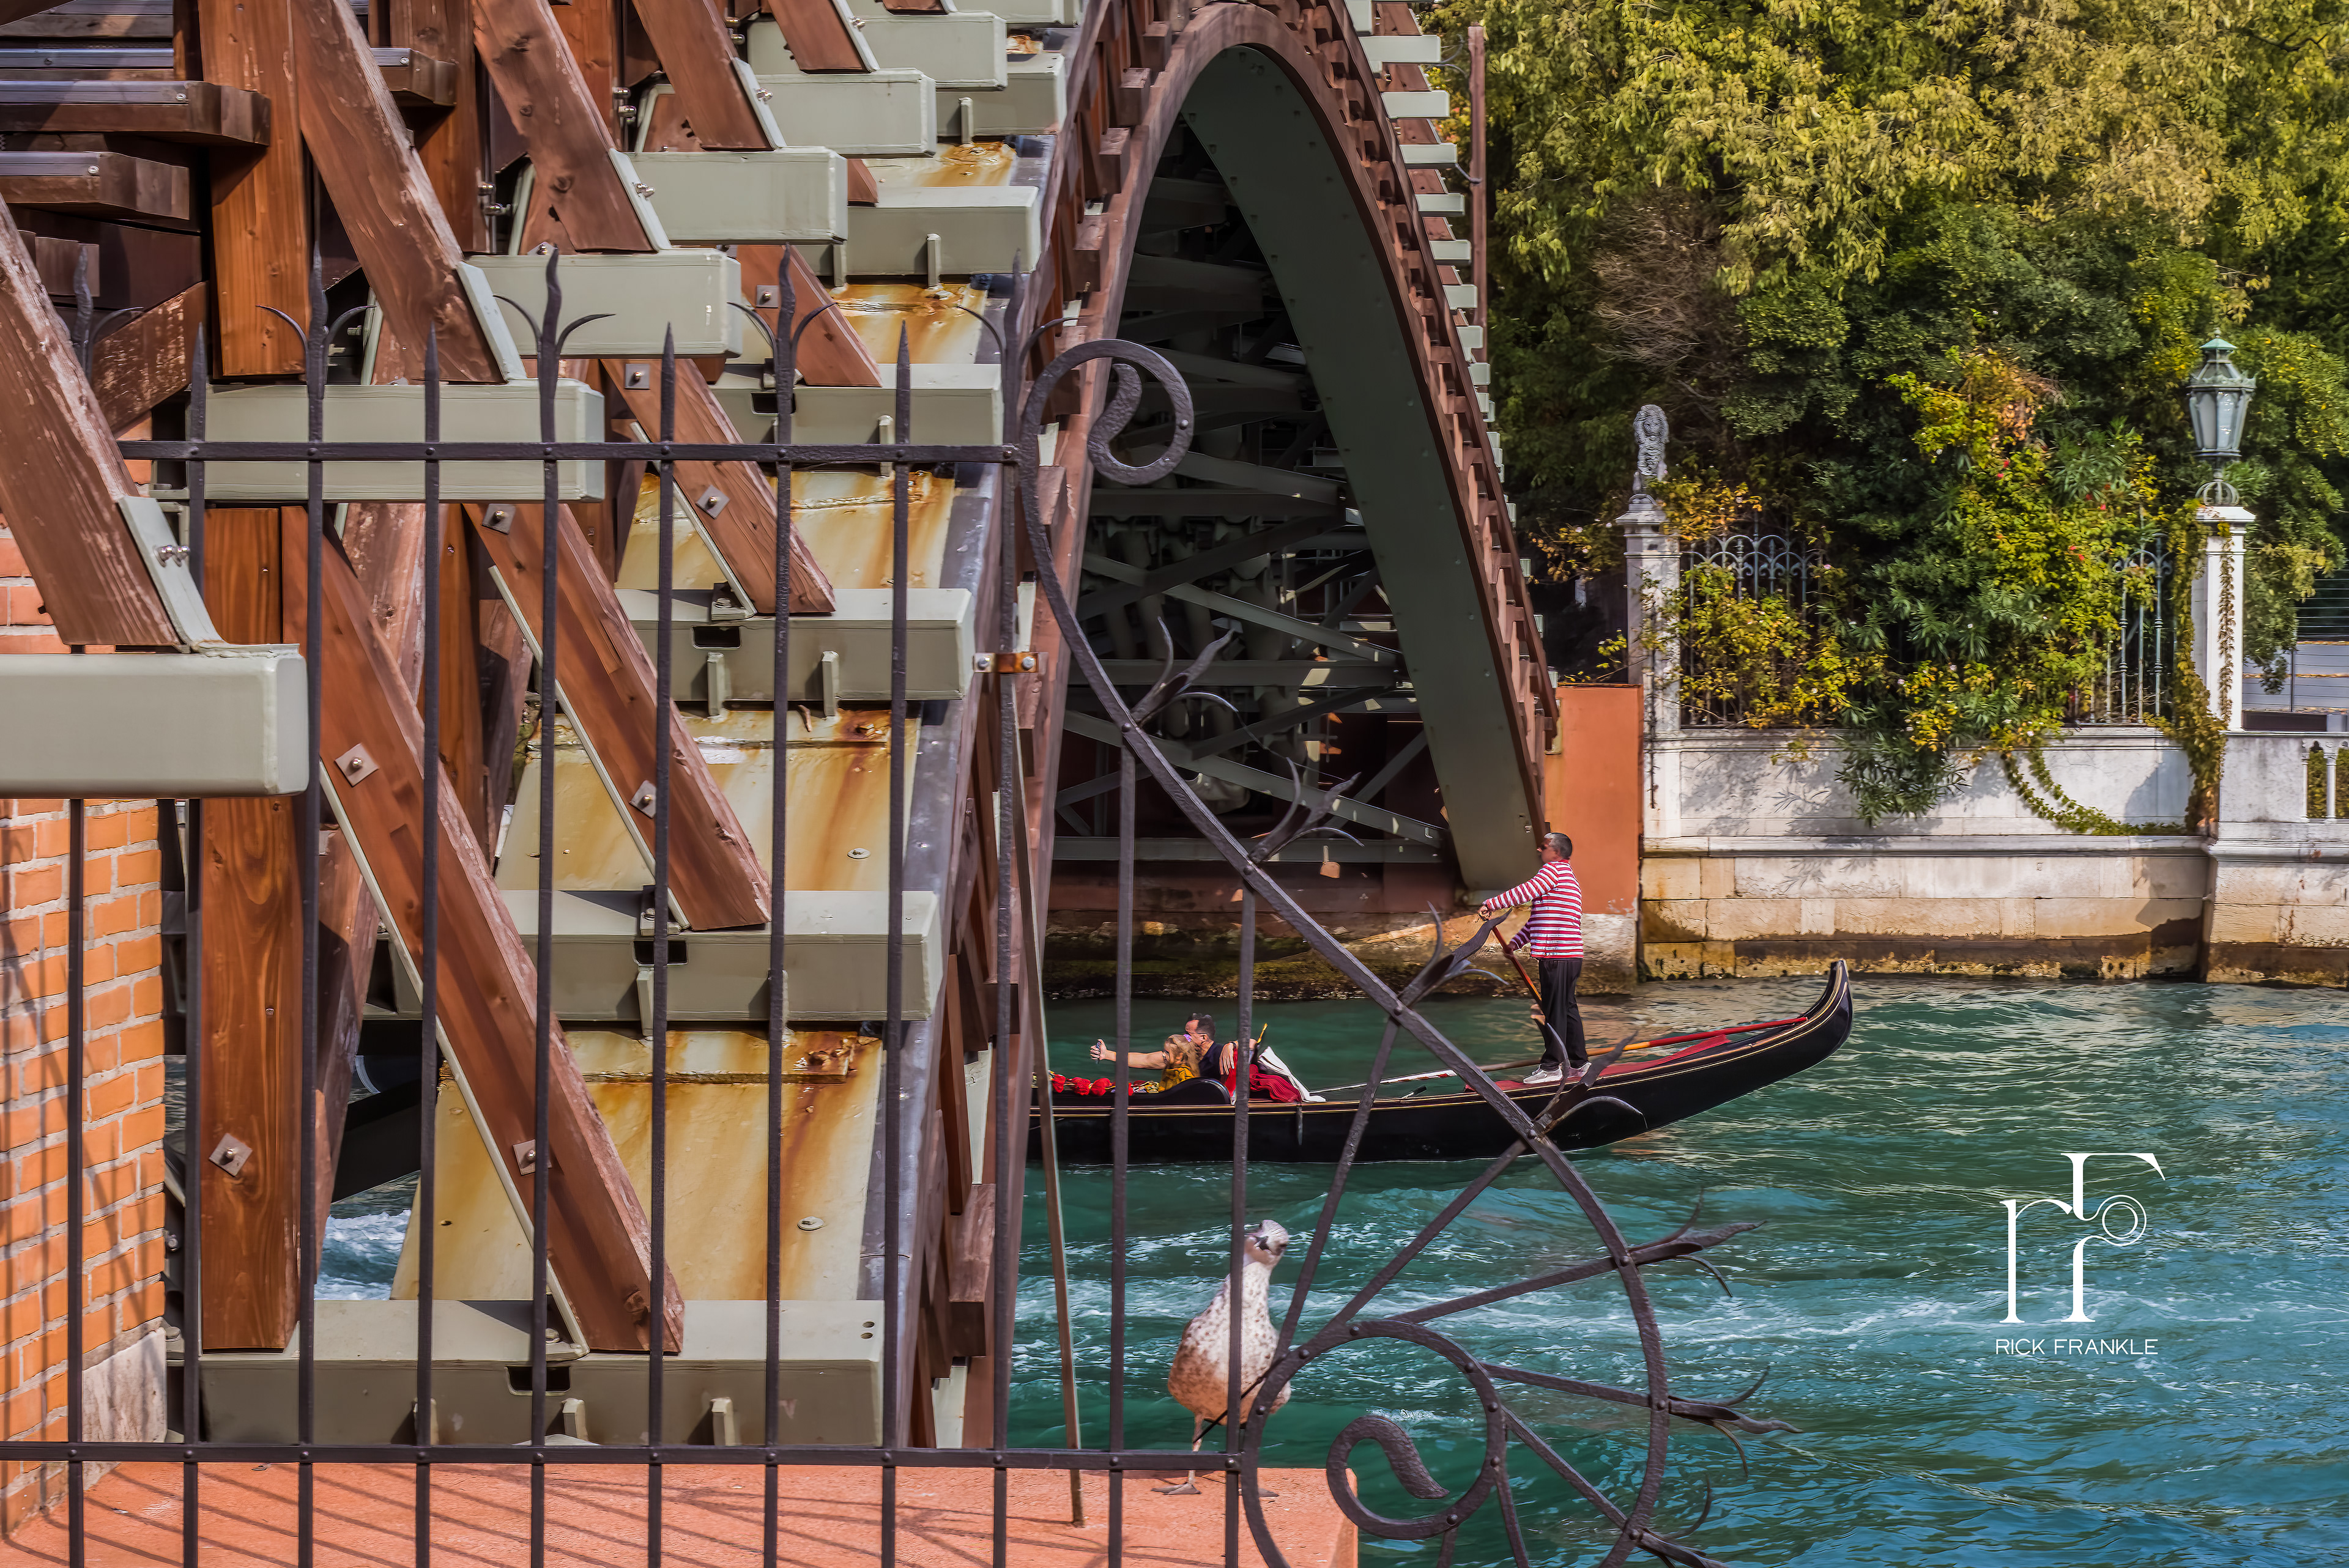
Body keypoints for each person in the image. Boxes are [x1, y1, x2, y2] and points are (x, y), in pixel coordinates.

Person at [1479, 830, 1586, 1087]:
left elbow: (1523, 892)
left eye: (1543, 846)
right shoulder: (1568, 879)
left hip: (1557, 955)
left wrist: (1491, 903)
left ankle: (1551, 1068)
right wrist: (1516, 942)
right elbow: (1539, 920)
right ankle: (1579, 1064)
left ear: (1556, 851)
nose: (1539, 850)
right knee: (1567, 1008)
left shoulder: (1553, 872)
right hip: (1569, 956)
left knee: (1554, 1012)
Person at [1092, 1011, 1226, 1092]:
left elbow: (1247, 1050)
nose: (1184, 1037)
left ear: (1204, 1037)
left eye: (1188, 1034)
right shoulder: (1182, 1053)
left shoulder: (1221, 1053)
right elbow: (1146, 1060)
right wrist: (1108, 1054)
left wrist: (1234, 1044)